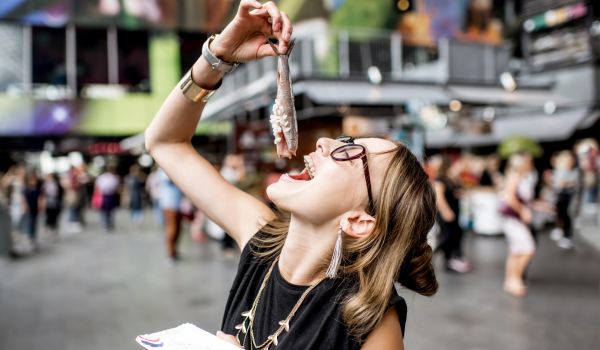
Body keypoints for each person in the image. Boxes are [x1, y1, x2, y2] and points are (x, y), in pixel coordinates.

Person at [145, 1, 437, 348]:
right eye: (344, 139)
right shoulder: (261, 244)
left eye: (349, 152)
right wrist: (218, 57)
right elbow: (165, 143)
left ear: (358, 221)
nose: (327, 142)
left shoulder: (370, 322)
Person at [500, 153, 537, 297]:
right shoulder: (515, 177)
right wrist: (523, 211)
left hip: (514, 219)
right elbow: (509, 198)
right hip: (513, 220)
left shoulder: (523, 178)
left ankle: (511, 280)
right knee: (528, 249)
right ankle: (515, 278)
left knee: (515, 251)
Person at [429, 155, 470, 273]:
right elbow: (439, 197)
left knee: (456, 234)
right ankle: (442, 258)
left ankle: (453, 259)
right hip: (446, 212)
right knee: (446, 236)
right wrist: (446, 211)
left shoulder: (450, 178)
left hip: (455, 211)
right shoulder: (440, 180)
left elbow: (454, 192)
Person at [550, 151, 579, 249]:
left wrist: (565, 182)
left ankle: (567, 236)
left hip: (568, 196)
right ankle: (560, 230)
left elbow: (566, 183)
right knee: (559, 214)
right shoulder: (559, 170)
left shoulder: (574, 172)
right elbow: (557, 183)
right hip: (559, 195)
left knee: (567, 216)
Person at [156, 168, 184, 263]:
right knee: (172, 228)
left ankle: (174, 251)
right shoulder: (165, 169)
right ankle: (170, 253)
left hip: (177, 203)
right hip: (169, 204)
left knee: (178, 228)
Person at [95, 165, 120, 232]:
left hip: (105, 195)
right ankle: (108, 223)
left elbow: (98, 187)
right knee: (109, 211)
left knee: (105, 211)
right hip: (108, 195)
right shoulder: (113, 177)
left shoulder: (102, 177)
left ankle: (105, 223)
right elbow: (115, 187)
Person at [41, 172, 64, 240]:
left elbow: (60, 193)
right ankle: (49, 229)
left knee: (54, 218)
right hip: (48, 204)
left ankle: (53, 231)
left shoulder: (57, 184)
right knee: (49, 217)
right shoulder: (45, 185)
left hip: (55, 204)